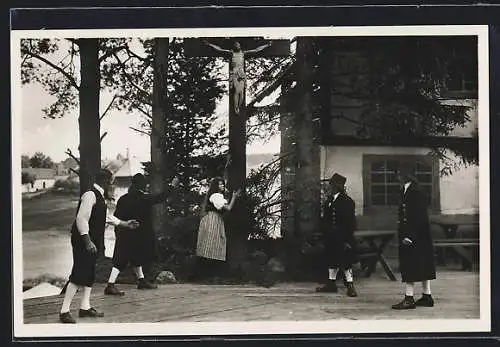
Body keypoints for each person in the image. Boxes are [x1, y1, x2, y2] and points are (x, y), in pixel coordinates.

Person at [59, 169, 140, 324]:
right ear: (106, 180)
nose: (113, 184)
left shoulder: (99, 196)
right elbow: (81, 219)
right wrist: (88, 241)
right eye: (112, 181)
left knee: (89, 273)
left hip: (91, 240)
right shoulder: (90, 195)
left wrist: (125, 224)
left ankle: (85, 307)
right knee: (78, 274)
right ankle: (64, 311)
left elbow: (106, 218)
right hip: (83, 240)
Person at [104, 174, 180, 296]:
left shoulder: (123, 199)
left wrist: (118, 231)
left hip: (124, 232)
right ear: (142, 185)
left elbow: (116, 217)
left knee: (134, 258)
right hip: (138, 234)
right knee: (121, 261)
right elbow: (160, 197)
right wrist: (172, 186)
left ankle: (141, 280)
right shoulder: (144, 198)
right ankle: (110, 285)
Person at [392, 161, 436, 310]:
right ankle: (427, 296)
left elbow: (418, 216)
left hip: (414, 234)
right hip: (418, 234)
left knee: (410, 264)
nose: (397, 176)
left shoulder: (415, 191)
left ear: (406, 175)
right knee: (422, 264)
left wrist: (409, 235)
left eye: (399, 173)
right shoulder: (407, 190)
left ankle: (409, 298)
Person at [316, 173, 358, 297]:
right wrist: (325, 231)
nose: (330, 187)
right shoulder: (329, 200)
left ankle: (350, 285)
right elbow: (325, 219)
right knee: (331, 259)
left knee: (345, 262)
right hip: (331, 236)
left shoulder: (347, 201)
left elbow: (350, 222)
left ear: (338, 187)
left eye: (332, 185)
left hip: (343, 236)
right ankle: (331, 284)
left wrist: (346, 239)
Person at [203, 39, 272, 115]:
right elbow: (220, 49)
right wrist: (210, 44)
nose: (237, 46)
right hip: (235, 72)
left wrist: (267, 45)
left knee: (241, 93)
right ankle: (236, 107)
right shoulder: (231, 53)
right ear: (234, 47)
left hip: (241, 72)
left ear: (240, 46)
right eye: (235, 45)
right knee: (237, 91)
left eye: (238, 44)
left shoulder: (243, 53)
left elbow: (256, 50)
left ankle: (238, 106)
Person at [194, 177, 241, 281]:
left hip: (215, 219)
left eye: (223, 184)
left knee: (212, 246)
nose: (222, 186)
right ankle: (208, 275)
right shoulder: (216, 196)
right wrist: (234, 197)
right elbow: (228, 208)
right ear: (216, 186)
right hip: (212, 220)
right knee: (212, 245)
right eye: (220, 184)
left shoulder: (218, 196)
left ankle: (208, 275)